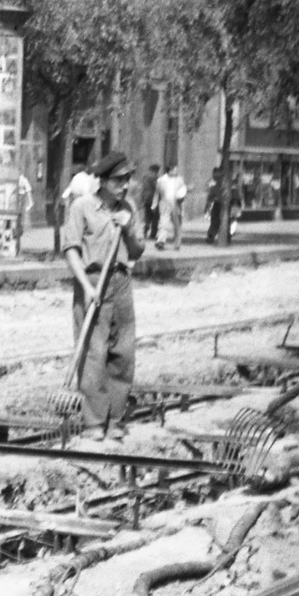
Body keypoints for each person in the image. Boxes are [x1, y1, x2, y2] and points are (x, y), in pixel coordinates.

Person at [60, 152, 146, 443]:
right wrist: (86, 286)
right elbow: (71, 249)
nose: (125, 185)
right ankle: (94, 424)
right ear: (103, 181)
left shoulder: (129, 208)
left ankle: (116, 421)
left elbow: (136, 251)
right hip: (93, 281)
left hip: (121, 281)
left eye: (127, 179)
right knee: (94, 354)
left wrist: (129, 229)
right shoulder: (81, 207)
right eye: (119, 180)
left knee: (123, 354)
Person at [155, 165, 188, 250]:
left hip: (176, 203)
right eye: (174, 170)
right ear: (168, 171)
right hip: (164, 202)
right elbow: (157, 193)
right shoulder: (161, 180)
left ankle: (177, 243)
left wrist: (181, 196)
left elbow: (183, 190)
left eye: (176, 170)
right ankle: (161, 241)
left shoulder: (179, 180)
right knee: (163, 223)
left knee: (177, 224)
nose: (175, 172)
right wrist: (154, 204)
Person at [141, 164, 162, 246]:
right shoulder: (155, 178)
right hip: (153, 199)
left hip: (146, 199)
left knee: (147, 217)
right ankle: (153, 234)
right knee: (155, 217)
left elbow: (143, 189)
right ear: (155, 170)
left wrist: (142, 198)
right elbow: (157, 188)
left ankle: (145, 232)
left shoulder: (145, 177)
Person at [15, 172, 33, 250]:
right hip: (17, 197)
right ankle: (18, 228)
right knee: (18, 214)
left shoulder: (23, 180)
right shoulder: (18, 179)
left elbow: (28, 191)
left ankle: (20, 228)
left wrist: (30, 201)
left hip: (21, 197)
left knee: (22, 215)